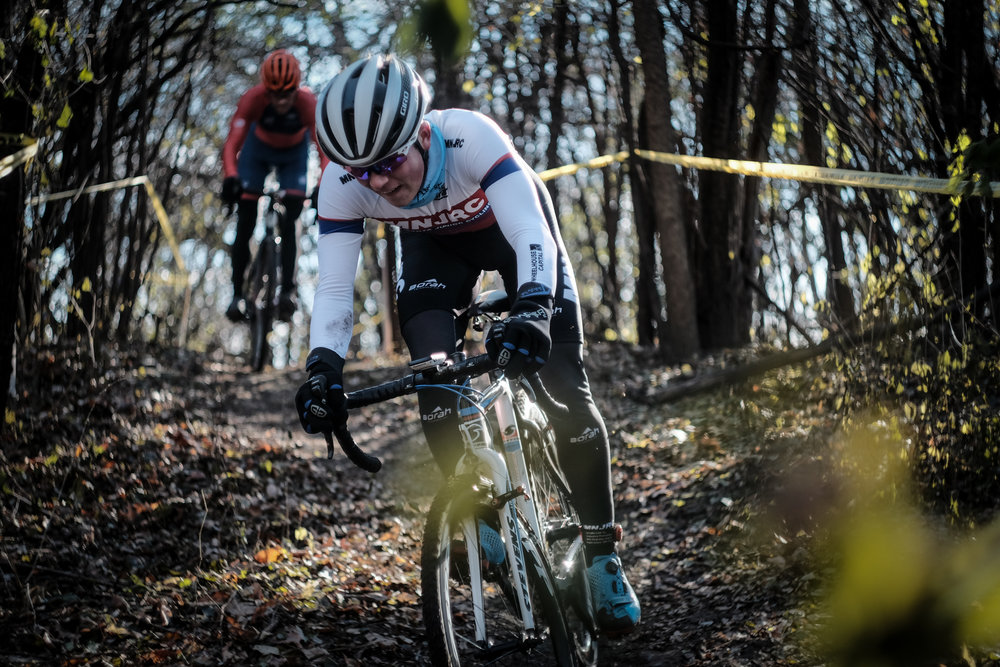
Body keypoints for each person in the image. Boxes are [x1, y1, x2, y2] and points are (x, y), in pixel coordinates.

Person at [294, 54, 640, 635]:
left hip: (513, 238)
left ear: (421, 132)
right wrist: (321, 370)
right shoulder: (343, 181)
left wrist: (532, 309)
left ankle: (603, 551)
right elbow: (333, 286)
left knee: (562, 385)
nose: (377, 181)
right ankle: (479, 519)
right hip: (435, 257)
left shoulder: (469, 136)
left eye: (388, 161)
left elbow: (530, 232)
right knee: (435, 378)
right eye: (360, 171)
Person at [220, 49, 329, 323]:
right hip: (257, 153)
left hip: (293, 156)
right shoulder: (253, 99)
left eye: (287, 93)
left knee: (291, 220)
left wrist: (321, 185)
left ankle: (287, 293)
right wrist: (231, 176)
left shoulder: (308, 103)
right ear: (265, 90)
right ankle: (237, 294)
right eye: (274, 94)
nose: (281, 101)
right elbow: (233, 143)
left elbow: (324, 150)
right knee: (245, 219)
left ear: (296, 89)